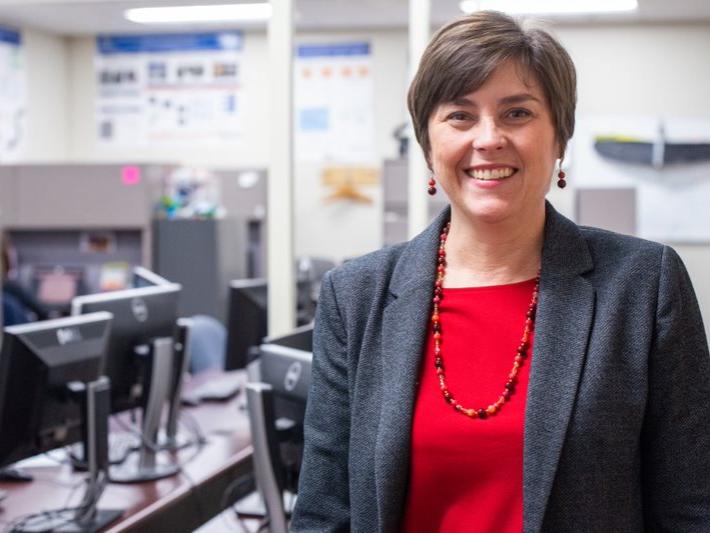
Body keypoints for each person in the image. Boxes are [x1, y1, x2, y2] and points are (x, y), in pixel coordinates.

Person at [291, 10, 710, 533]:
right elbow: (323, 512)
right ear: (427, 143)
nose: (488, 138)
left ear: (560, 137)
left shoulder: (644, 285)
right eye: (460, 116)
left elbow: (690, 509)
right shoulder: (355, 296)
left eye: (517, 113)